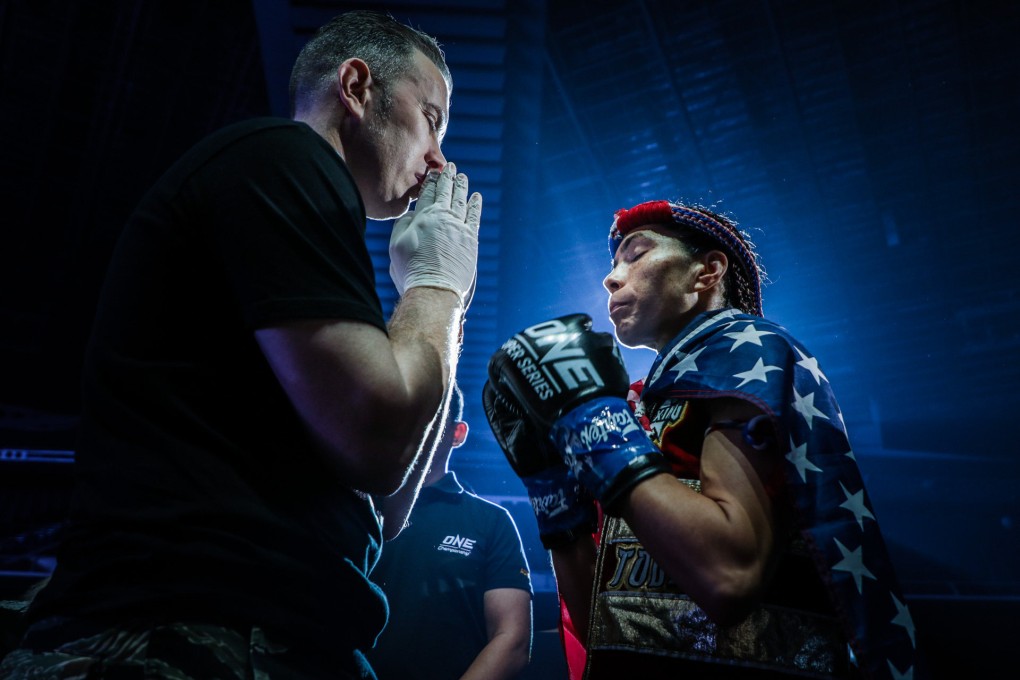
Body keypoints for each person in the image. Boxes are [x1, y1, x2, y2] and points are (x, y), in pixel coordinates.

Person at [1, 10, 480, 680]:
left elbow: (390, 500)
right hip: (184, 636)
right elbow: (377, 442)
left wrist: (439, 303)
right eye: (431, 117)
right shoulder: (281, 158)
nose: (438, 156)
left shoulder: (318, 246)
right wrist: (436, 286)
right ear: (356, 86)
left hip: (258, 634)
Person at [483, 200, 926, 679]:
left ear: (707, 272)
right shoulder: (634, 406)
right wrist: (554, 498)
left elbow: (729, 578)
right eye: (613, 265)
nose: (611, 278)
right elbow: (604, 627)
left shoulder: (750, 349)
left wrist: (596, 426)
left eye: (636, 254)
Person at [368, 382, 533, 679]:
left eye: (429, 416)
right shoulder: (358, 507)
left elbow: (512, 639)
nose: (415, 424)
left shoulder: (490, 520)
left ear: (457, 434)